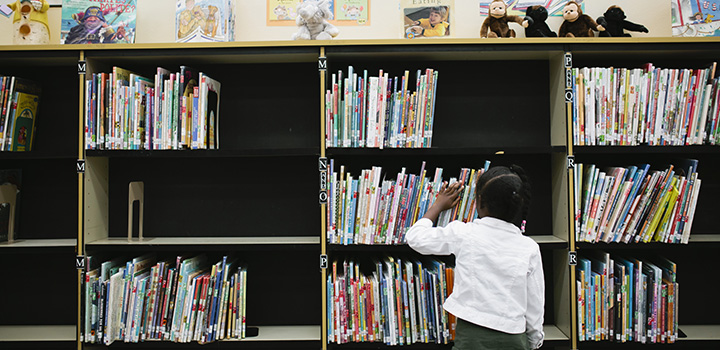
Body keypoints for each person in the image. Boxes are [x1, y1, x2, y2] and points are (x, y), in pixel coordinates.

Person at [405, 165, 544, 350]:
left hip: (471, 335)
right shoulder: (529, 248)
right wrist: (534, 341)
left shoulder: (464, 233)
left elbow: (415, 238)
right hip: (514, 336)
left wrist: (438, 205)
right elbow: (535, 303)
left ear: (478, 202)